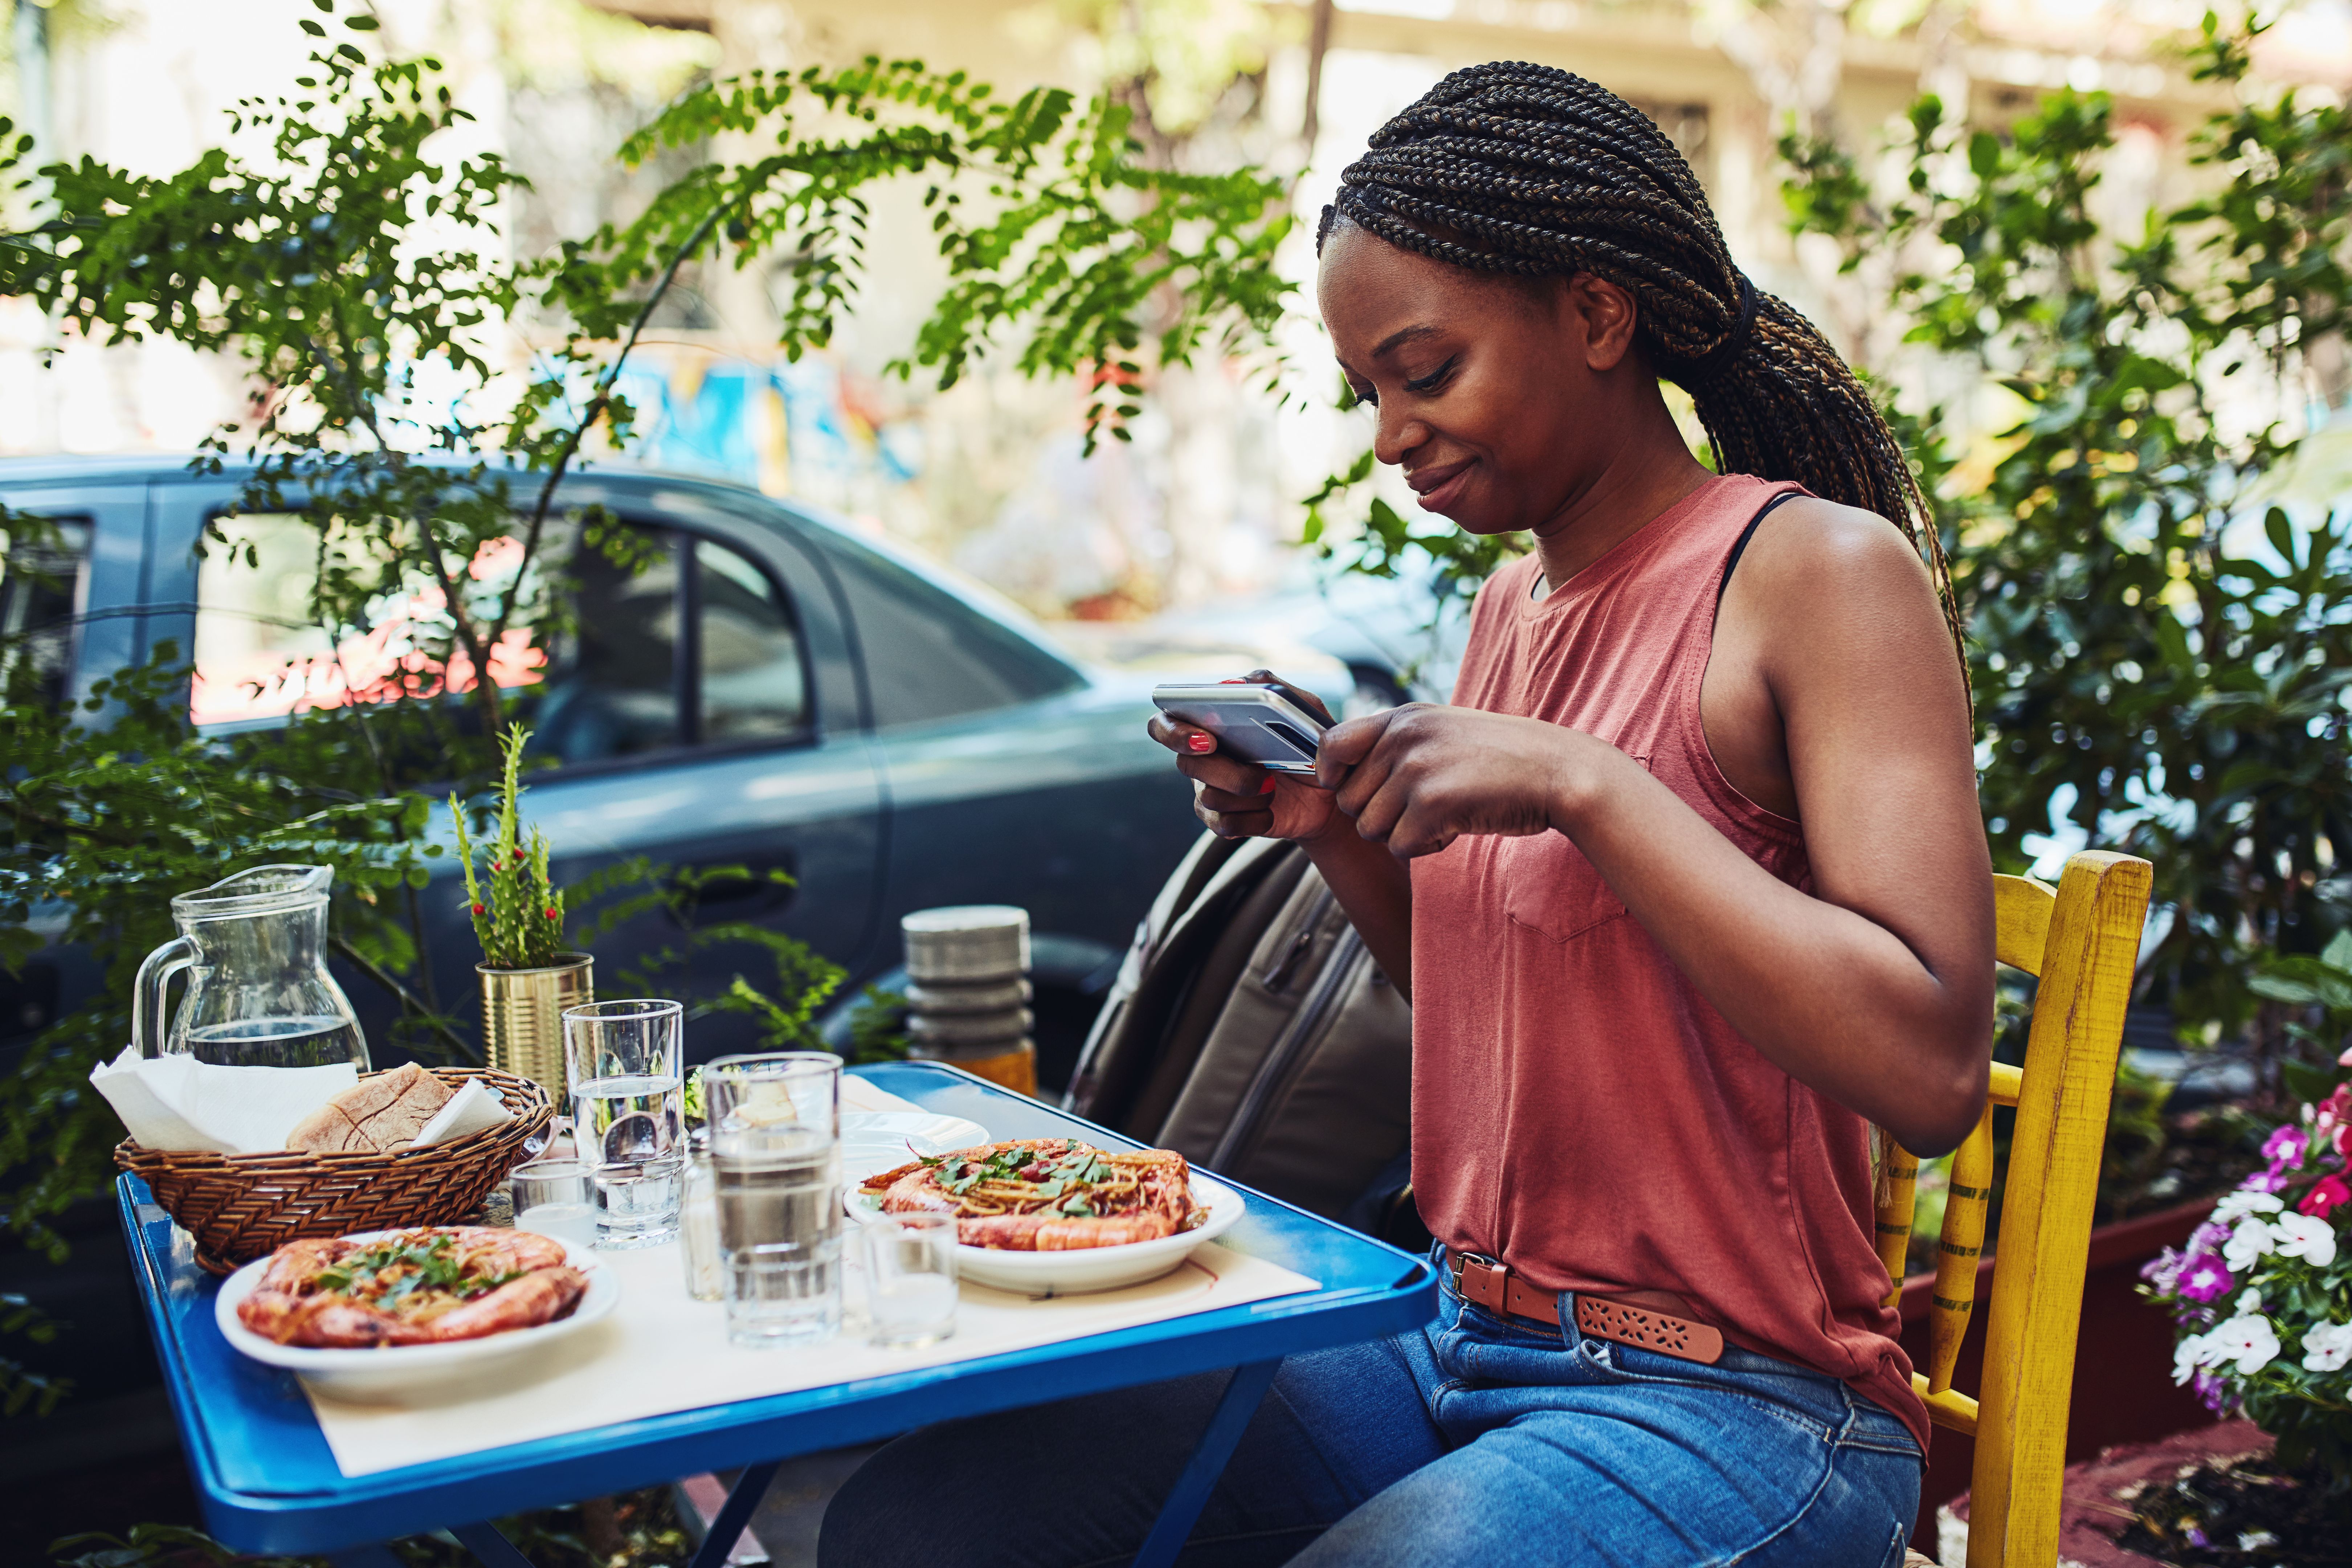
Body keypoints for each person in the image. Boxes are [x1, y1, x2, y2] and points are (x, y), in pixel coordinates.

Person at [820, 60, 1991, 1567]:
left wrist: (1589, 787)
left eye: (1425, 373)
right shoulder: (1515, 603)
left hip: (1735, 1405)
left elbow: (1931, 1062)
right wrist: (1332, 827)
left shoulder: (1816, 576)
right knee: (936, 1515)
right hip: (1451, 1339)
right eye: (1370, 392)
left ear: (1594, 314)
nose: (1390, 436)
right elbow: (1500, 1012)